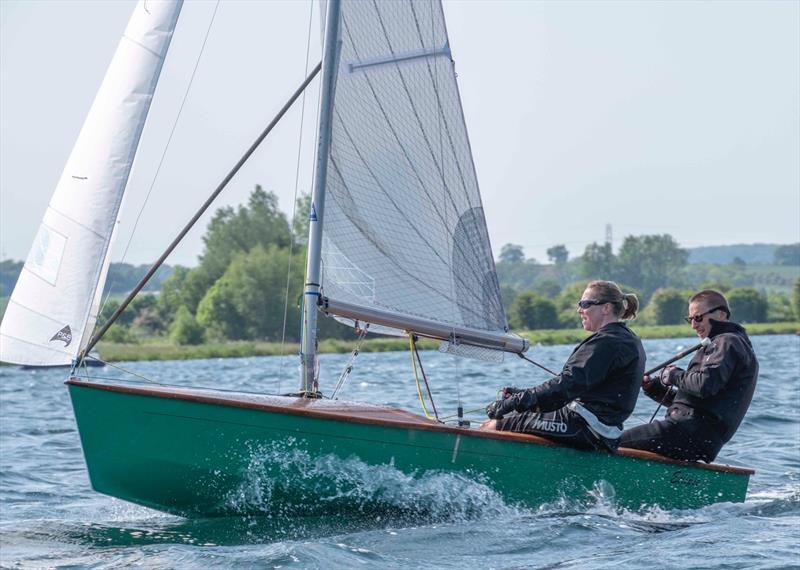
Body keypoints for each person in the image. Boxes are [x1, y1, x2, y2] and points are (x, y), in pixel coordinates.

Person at [481, 280, 645, 452]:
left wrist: (515, 402)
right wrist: (523, 396)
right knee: (516, 415)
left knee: (495, 425)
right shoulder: (626, 338)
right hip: (601, 430)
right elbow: (569, 390)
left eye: (585, 304)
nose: (579, 310)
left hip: (587, 428)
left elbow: (564, 386)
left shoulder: (607, 342)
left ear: (606, 308)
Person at [619, 290, 758, 462]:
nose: (693, 325)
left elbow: (704, 386)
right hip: (697, 437)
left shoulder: (727, 342)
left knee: (611, 443)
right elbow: (694, 405)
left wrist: (673, 374)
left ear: (721, 314)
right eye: (690, 319)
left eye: (698, 317)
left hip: (688, 433)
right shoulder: (726, 343)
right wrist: (654, 388)